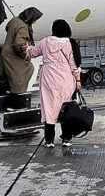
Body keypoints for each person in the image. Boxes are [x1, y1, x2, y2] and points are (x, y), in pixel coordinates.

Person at [29, 19, 81, 150]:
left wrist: (26, 48)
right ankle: (67, 138)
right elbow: (73, 64)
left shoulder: (45, 41)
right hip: (65, 79)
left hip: (48, 78)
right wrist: (78, 80)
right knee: (66, 108)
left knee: (49, 109)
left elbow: (32, 53)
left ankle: (49, 140)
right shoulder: (68, 43)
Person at [0, 7, 42, 95]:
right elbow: (19, 44)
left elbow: (7, 28)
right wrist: (25, 54)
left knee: (11, 75)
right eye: (35, 19)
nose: (35, 22)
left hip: (6, 52)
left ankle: (9, 90)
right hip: (13, 55)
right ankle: (16, 100)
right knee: (26, 71)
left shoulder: (15, 20)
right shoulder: (23, 27)